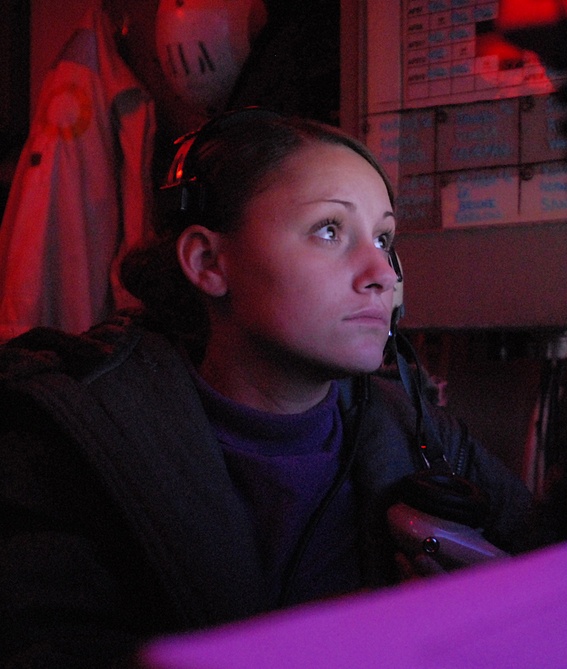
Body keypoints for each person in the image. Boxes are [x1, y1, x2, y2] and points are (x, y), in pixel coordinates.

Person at [0, 109, 534, 667]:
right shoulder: (67, 444)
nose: (383, 272)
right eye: (330, 229)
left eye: (383, 237)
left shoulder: (417, 429)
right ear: (209, 261)